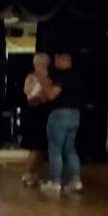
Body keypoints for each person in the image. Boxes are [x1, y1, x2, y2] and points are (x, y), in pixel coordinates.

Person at [40, 50, 83, 194]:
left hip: (60, 114)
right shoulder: (77, 76)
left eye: (57, 60)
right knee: (70, 148)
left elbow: (52, 95)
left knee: (55, 149)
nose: (55, 63)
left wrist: (45, 84)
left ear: (62, 60)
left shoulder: (61, 75)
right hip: (75, 114)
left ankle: (55, 181)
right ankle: (75, 180)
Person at [20, 51, 52, 186]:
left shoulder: (49, 78)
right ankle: (27, 174)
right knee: (35, 147)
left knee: (42, 147)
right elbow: (28, 93)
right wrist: (40, 86)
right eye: (40, 63)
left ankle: (37, 174)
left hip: (43, 113)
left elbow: (49, 96)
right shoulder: (31, 77)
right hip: (33, 113)